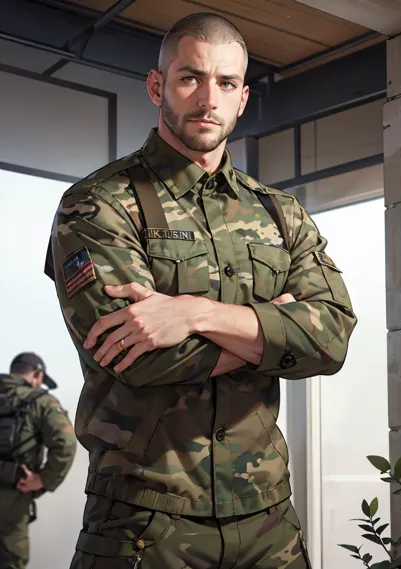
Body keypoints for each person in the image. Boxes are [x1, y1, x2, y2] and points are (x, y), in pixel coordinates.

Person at [45, 12, 357, 569]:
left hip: (269, 518)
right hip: (143, 517)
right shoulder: (99, 204)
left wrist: (193, 313)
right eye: (191, 78)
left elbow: (331, 341)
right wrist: (273, 327)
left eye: (227, 83)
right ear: (157, 86)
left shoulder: (279, 213)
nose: (208, 98)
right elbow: (133, 358)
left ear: (242, 99)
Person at [0, 352, 77, 569]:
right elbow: (66, 443)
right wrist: (44, 479)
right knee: (10, 561)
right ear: (37, 375)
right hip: (13, 500)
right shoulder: (41, 401)